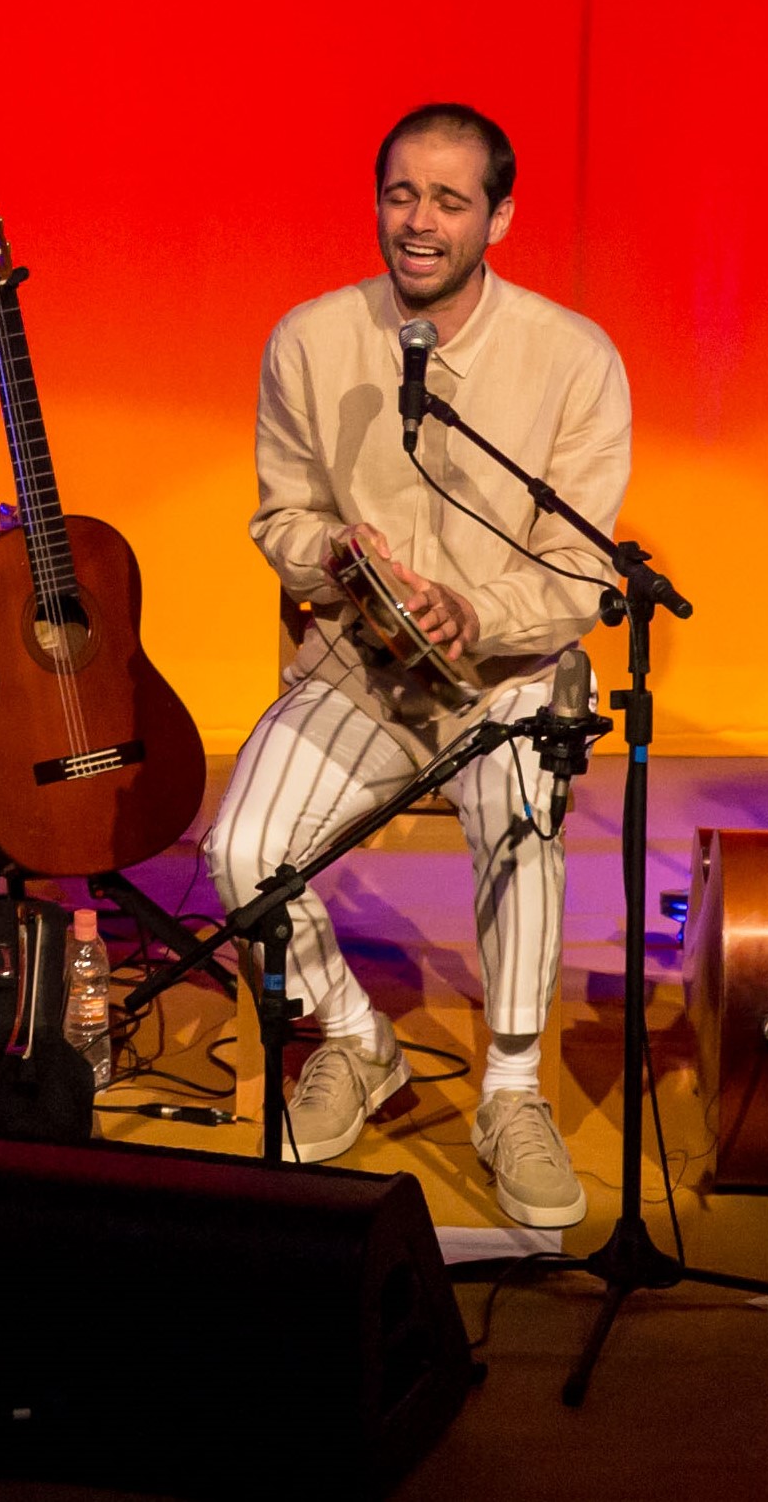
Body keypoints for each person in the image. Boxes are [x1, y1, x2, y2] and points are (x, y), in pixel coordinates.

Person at [202, 103, 625, 1232]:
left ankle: (510, 1093)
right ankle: (356, 1040)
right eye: (401, 194)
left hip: (507, 672)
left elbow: (584, 574)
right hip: (362, 663)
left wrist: (471, 610)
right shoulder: (310, 338)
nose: (419, 221)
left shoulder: (572, 357)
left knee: (524, 826)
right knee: (242, 852)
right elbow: (279, 515)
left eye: (449, 199)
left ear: (500, 216)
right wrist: (330, 552)